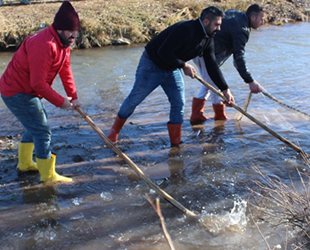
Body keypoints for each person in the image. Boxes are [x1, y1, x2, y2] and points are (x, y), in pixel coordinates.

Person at [107, 6, 235, 148]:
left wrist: (225, 89)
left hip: (173, 67)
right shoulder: (185, 30)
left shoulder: (208, 38)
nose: (219, 28)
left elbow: (211, 65)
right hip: (152, 65)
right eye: (217, 24)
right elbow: (163, 52)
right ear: (206, 21)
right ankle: (114, 132)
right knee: (135, 99)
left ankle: (176, 144)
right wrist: (184, 65)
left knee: (179, 103)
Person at [0, 1, 81, 182]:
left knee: (35, 124)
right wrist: (61, 101)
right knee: (42, 130)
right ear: (59, 28)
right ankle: (48, 176)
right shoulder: (44, 45)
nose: (74, 35)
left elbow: (65, 69)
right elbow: (37, 83)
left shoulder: (64, 43)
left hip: (26, 90)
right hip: (16, 90)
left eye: (76, 31)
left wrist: (74, 97)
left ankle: (25, 163)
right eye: (70, 31)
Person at [190, 4, 265, 123]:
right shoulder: (242, 30)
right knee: (210, 81)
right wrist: (250, 80)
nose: (263, 22)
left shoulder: (236, 13)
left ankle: (217, 116)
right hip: (205, 54)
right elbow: (238, 58)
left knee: (211, 82)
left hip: (199, 48)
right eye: (261, 19)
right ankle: (197, 116)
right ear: (253, 17)